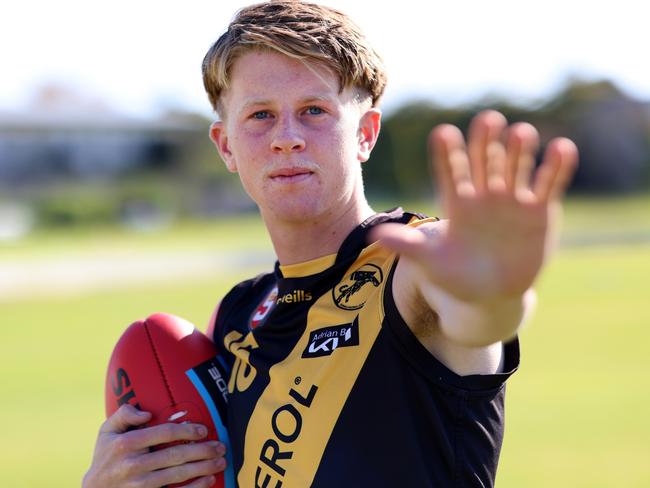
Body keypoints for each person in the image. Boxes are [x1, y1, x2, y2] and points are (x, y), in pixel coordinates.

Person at [83, 1, 578, 487]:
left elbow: (479, 314)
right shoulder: (236, 316)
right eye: (260, 115)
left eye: (314, 110)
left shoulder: (413, 265)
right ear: (226, 144)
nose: (287, 138)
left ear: (364, 133)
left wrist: (494, 288)